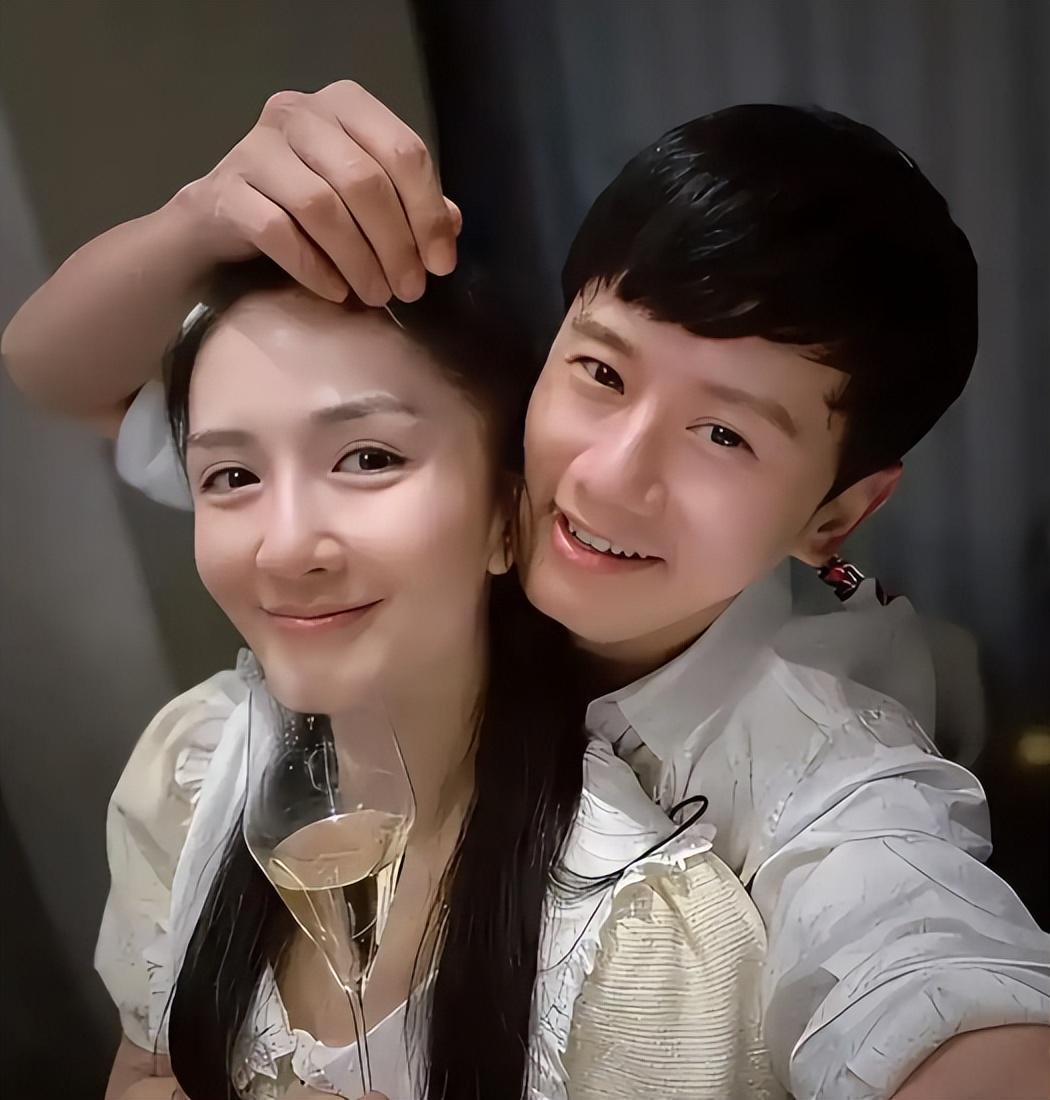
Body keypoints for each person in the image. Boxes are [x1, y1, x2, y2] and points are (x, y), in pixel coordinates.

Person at [4, 82, 1049, 1099]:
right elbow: (54, 372)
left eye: (724, 434)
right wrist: (207, 216)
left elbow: (921, 961)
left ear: (837, 513)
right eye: (603, 372)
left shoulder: (817, 759)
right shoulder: (456, 473)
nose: (606, 477)